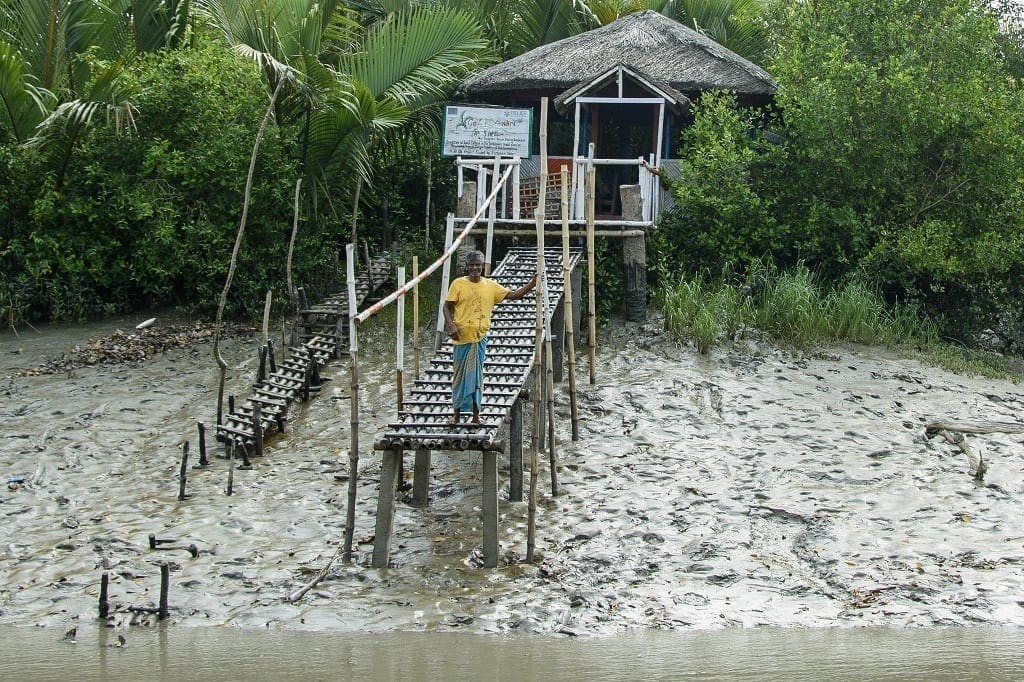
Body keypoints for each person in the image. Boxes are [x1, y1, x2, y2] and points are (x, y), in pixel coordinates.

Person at [443, 251, 536, 425]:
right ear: (467, 267)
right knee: (459, 377)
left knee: (476, 377)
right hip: (461, 338)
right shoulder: (458, 284)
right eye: (471, 265)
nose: (475, 268)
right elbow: (446, 307)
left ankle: (476, 416)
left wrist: (532, 284)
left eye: (478, 265)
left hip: (479, 339)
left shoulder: (491, 286)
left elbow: (514, 295)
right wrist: (451, 326)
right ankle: (456, 415)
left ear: (483, 266)